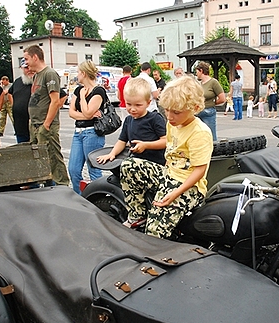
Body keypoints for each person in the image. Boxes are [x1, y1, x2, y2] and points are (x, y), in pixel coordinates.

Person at [120, 76, 213, 238]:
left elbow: (199, 171)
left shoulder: (200, 132)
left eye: (176, 112)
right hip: (168, 175)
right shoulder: (172, 124)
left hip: (188, 186)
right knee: (129, 165)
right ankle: (138, 215)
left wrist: (175, 193)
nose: (169, 117)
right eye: (167, 110)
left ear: (195, 107)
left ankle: (156, 259)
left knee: (154, 231)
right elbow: (170, 153)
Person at [23, 45, 69, 186]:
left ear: (35, 57)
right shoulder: (36, 75)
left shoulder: (49, 74)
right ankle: (47, 187)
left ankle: (62, 187)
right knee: (39, 158)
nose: (25, 63)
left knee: (53, 157)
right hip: (35, 124)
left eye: (26, 59)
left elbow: (55, 101)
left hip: (46, 125)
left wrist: (46, 125)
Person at [96, 77, 166, 167]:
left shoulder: (155, 118)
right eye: (128, 104)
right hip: (135, 163)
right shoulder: (128, 120)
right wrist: (112, 154)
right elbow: (122, 141)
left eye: (138, 105)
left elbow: (165, 141)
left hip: (155, 165)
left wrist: (146, 145)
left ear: (148, 103)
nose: (132, 109)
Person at [67, 60, 106, 193]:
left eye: (78, 72)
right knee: (73, 169)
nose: (77, 75)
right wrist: (87, 115)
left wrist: (83, 98)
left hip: (92, 133)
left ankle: (97, 199)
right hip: (78, 132)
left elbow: (88, 112)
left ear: (83, 73)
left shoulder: (98, 91)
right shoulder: (78, 90)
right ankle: (80, 197)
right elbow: (71, 112)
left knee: (94, 170)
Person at [195, 61, 225, 140]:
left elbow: (222, 98)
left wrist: (212, 103)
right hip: (198, 111)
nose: (196, 74)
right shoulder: (200, 83)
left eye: (197, 71)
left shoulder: (213, 82)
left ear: (201, 71)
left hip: (208, 111)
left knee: (211, 135)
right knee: (200, 136)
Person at [8, 58, 34, 143]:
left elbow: (61, 96)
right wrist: (14, 105)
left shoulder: (41, 80)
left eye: (31, 67)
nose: (29, 70)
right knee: (23, 152)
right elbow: (10, 93)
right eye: (26, 68)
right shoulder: (18, 82)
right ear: (21, 68)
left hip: (37, 125)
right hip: (20, 126)